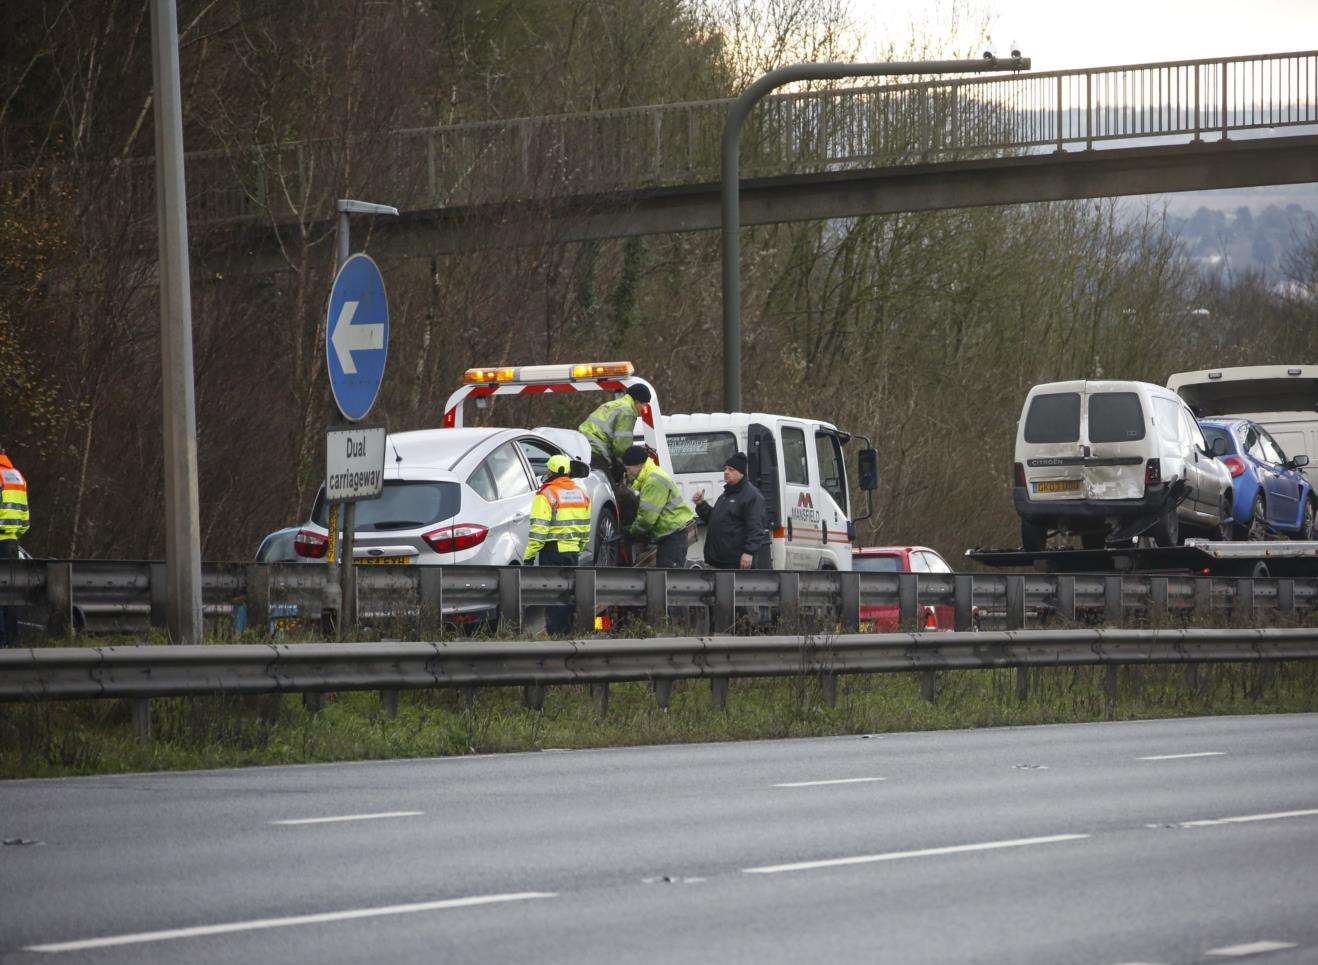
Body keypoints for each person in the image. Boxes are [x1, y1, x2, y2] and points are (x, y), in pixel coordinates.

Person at [523, 454, 592, 633]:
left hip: (552, 552)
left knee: (554, 595)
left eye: (548, 469)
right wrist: (579, 547)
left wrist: (529, 556)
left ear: (553, 471)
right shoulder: (581, 494)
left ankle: (555, 635)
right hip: (573, 551)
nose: (546, 472)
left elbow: (539, 530)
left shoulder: (546, 494)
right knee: (569, 593)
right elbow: (585, 527)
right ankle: (567, 632)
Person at [692, 451, 769, 570]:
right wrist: (701, 505)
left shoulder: (751, 495)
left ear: (741, 473)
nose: (726, 472)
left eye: (731, 469)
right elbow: (715, 519)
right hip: (717, 562)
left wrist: (749, 552)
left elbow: (756, 527)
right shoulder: (726, 495)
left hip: (735, 564)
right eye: (725, 469)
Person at [622, 445, 695, 568]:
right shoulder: (649, 475)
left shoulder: (653, 481)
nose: (628, 473)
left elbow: (646, 519)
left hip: (673, 534)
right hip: (670, 533)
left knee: (669, 577)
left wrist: (632, 532)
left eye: (628, 469)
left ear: (638, 464)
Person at [579, 384, 651, 478]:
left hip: (583, 446)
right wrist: (630, 463)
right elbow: (622, 446)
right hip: (595, 450)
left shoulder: (613, 404)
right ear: (637, 402)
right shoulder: (627, 412)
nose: (643, 409)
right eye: (644, 405)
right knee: (609, 488)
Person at [0, 443, 29, 646]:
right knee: (9, 593)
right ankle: (12, 641)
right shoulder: (16, 476)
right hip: (11, 541)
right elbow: (24, 516)